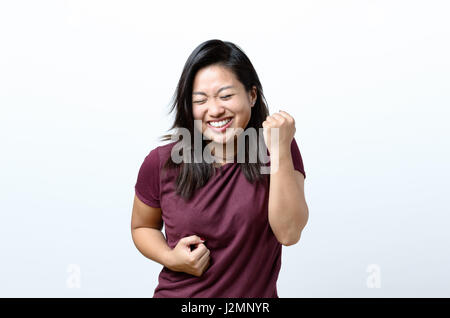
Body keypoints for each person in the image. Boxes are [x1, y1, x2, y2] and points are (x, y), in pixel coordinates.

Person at [131, 39, 309, 298]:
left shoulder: (277, 149)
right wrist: (170, 257)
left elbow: (289, 232)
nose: (214, 110)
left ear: (252, 95)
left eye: (226, 96)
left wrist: (280, 149)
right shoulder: (162, 162)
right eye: (200, 100)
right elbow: (142, 227)